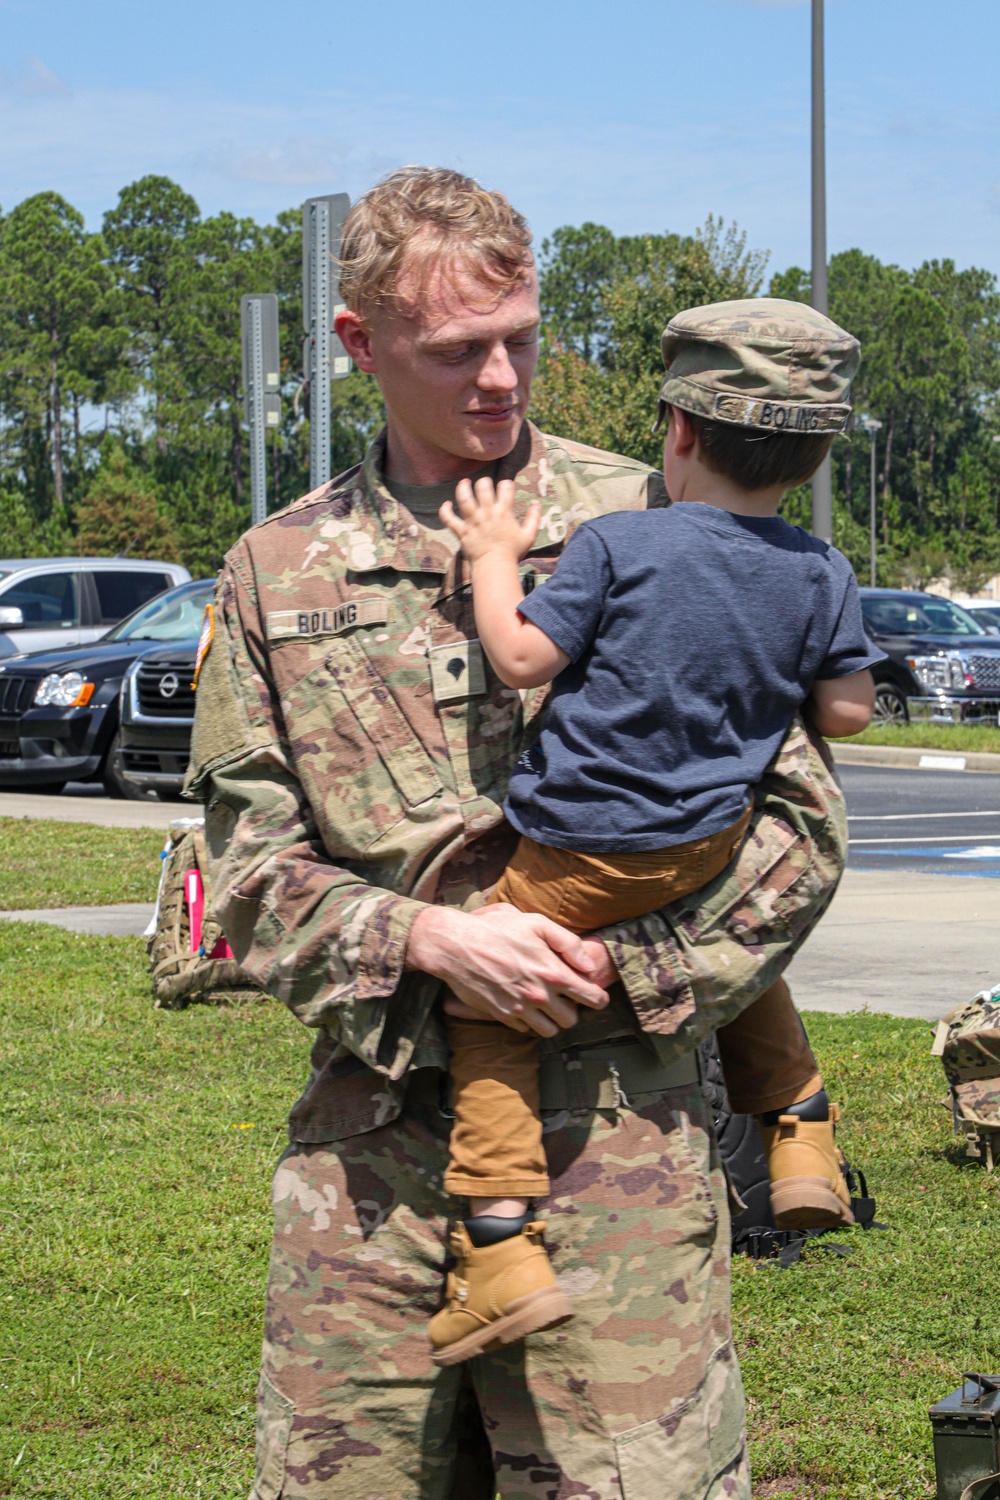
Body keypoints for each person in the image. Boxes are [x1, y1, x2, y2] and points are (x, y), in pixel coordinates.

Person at [186, 167, 849, 1500]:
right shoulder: (277, 567)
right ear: (359, 344)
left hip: (622, 1159)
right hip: (367, 1182)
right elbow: (234, 874)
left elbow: (797, 827)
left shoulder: (670, 520)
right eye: (455, 349)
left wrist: (626, 966)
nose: (501, 377)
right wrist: (422, 936)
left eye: (522, 336)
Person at [427, 297, 884, 1367]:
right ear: (812, 461)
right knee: (730, 953)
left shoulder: (618, 542)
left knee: (484, 995)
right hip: (712, 842)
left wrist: (494, 555)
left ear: (676, 432)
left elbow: (523, 661)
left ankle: (496, 1248)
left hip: (583, 849)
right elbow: (847, 711)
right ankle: (799, 1129)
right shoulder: (819, 570)